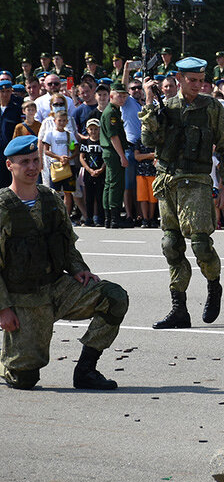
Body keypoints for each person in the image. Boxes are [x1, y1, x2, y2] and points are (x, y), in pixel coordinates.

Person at [0, 135, 128, 390]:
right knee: (24, 380)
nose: (32, 167)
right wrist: (3, 308)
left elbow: (67, 244)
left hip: (59, 289)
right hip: (25, 298)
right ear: (9, 166)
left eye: (35, 160)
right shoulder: (3, 207)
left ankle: (86, 371)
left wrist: (80, 270)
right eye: (24, 162)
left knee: (114, 297)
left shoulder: (51, 199)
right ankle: (8, 365)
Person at [140, 57, 224, 329]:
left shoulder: (212, 107)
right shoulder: (164, 106)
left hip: (196, 181)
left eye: (201, 80)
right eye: (192, 80)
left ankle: (213, 285)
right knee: (171, 245)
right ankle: (179, 308)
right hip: (168, 182)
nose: (198, 85)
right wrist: (149, 102)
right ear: (180, 80)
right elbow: (148, 140)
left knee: (201, 245)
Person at [99, 83, 132, 228]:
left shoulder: (113, 110)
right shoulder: (111, 112)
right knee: (116, 185)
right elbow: (114, 137)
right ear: (112, 95)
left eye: (125, 96)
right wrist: (122, 156)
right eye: (120, 95)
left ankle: (109, 218)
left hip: (110, 152)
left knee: (109, 184)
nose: (123, 99)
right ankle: (114, 218)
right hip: (113, 152)